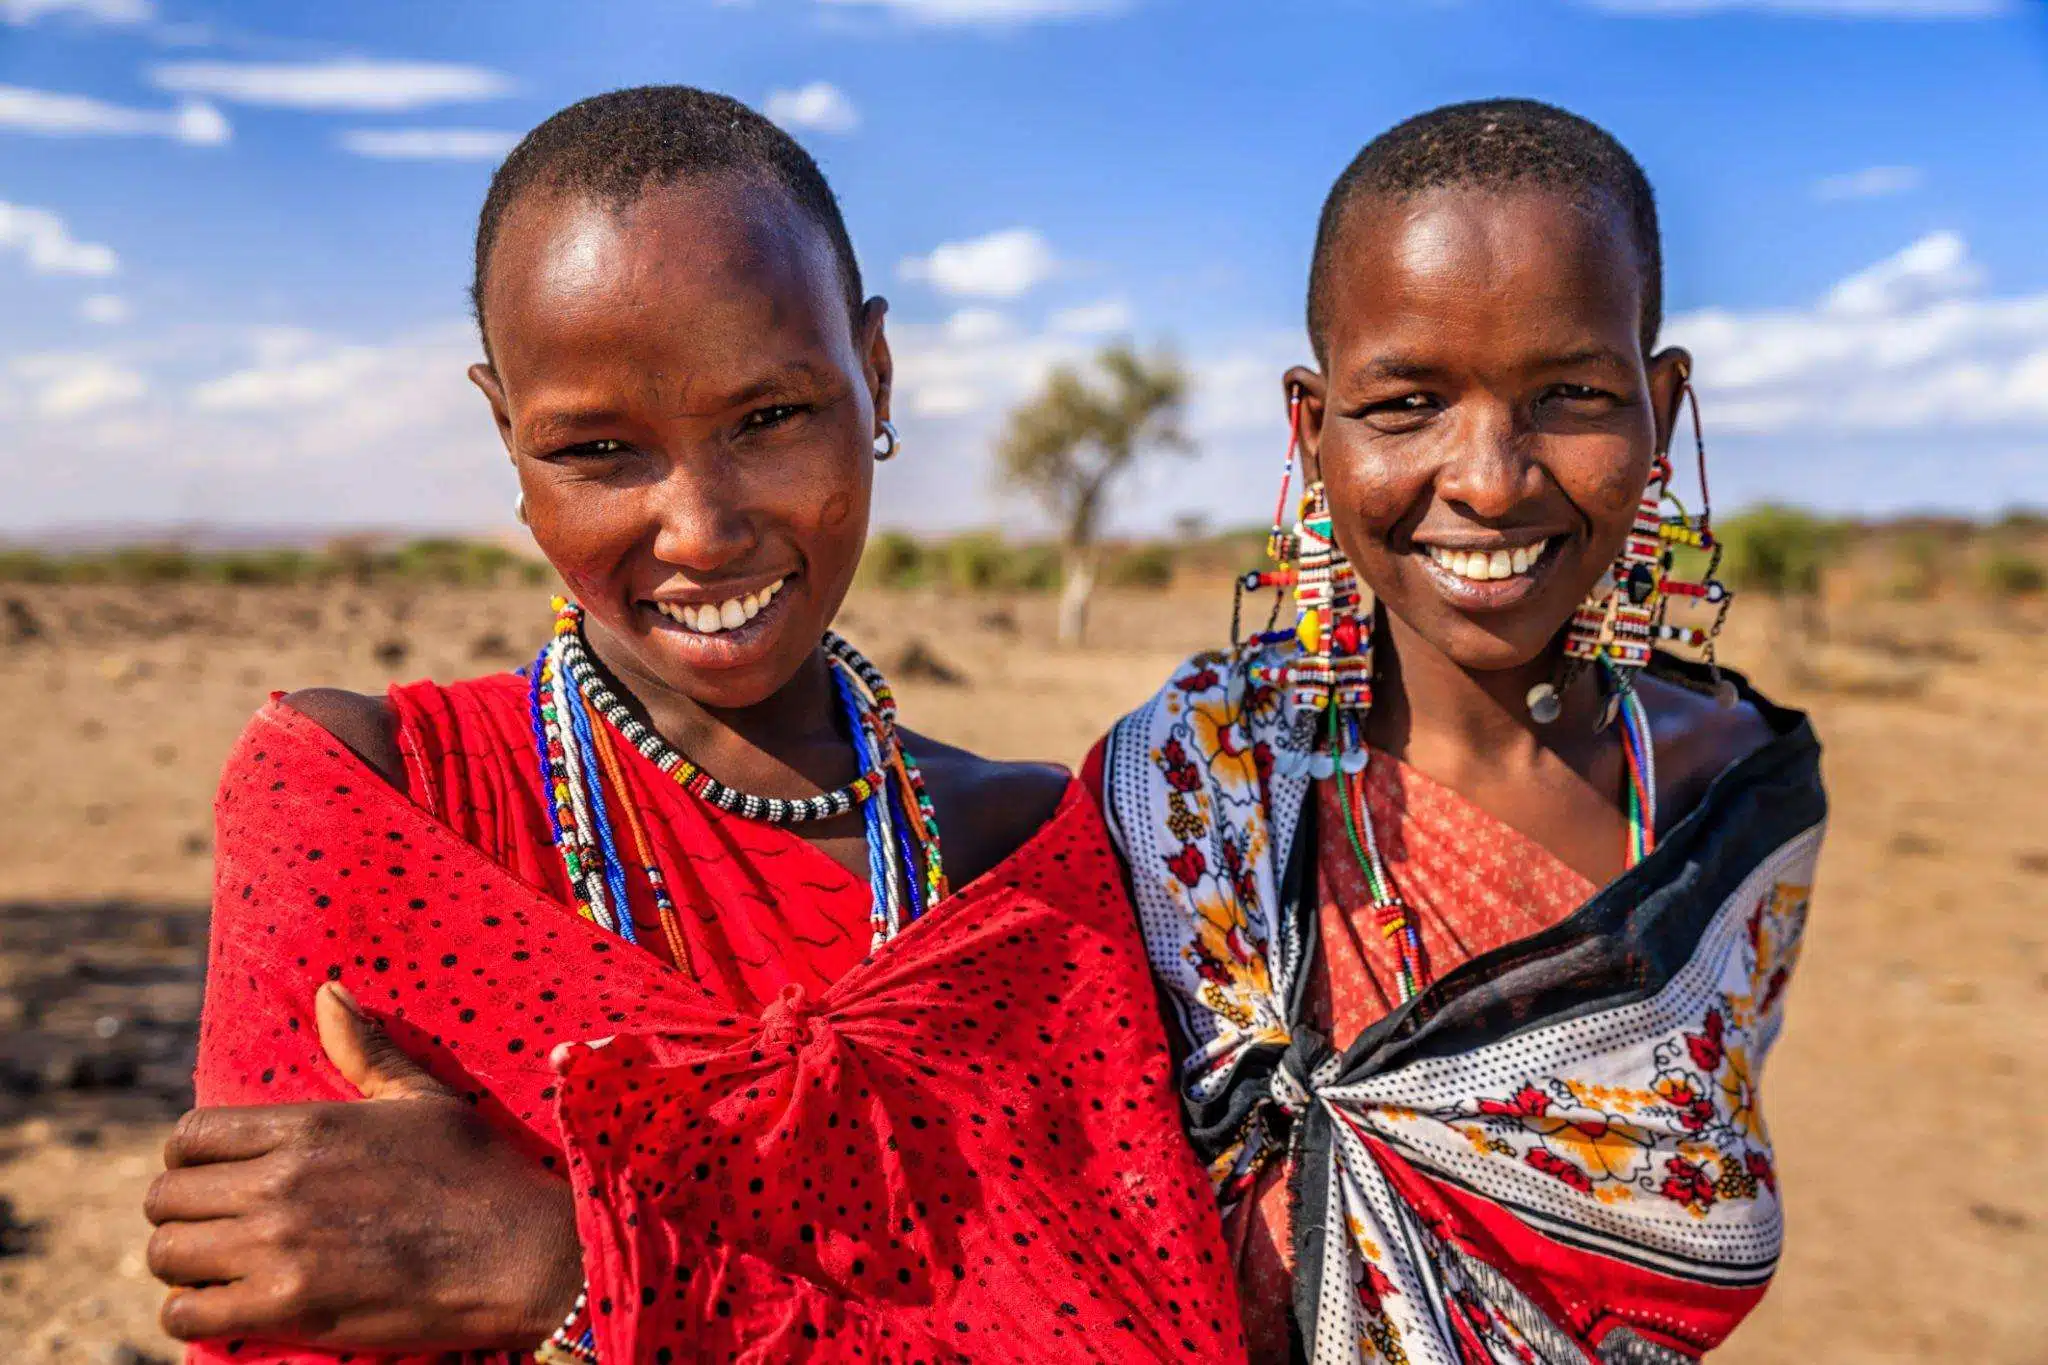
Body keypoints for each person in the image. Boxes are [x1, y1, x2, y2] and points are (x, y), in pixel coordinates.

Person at [142, 86, 1246, 1364]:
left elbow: (1131, 1334)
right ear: (508, 433)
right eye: (598, 448)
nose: (701, 529)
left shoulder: (1023, 853)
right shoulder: (371, 804)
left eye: (767, 419)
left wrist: (572, 1272)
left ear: (873, 376)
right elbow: (283, 1323)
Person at [1091, 99, 1824, 1363]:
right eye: (1407, 402)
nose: (1489, 478)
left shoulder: (1731, 802)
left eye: (1571, 394)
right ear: (1308, 429)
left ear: (1659, 408)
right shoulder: (1192, 794)